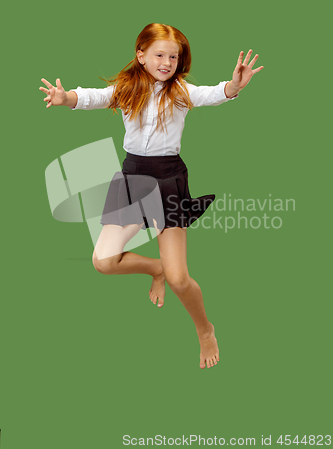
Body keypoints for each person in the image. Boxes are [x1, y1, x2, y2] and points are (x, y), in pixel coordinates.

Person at [40, 23, 263, 369]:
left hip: (168, 179)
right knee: (104, 261)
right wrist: (65, 97)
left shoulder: (180, 93)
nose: (167, 62)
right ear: (141, 55)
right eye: (160, 54)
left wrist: (234, 86)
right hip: (132, 179)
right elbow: (93, 97)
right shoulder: (128, 89)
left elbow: (213, 93)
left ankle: (205, 329)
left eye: (173, 56)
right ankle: (155, 269)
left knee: (179, 279)